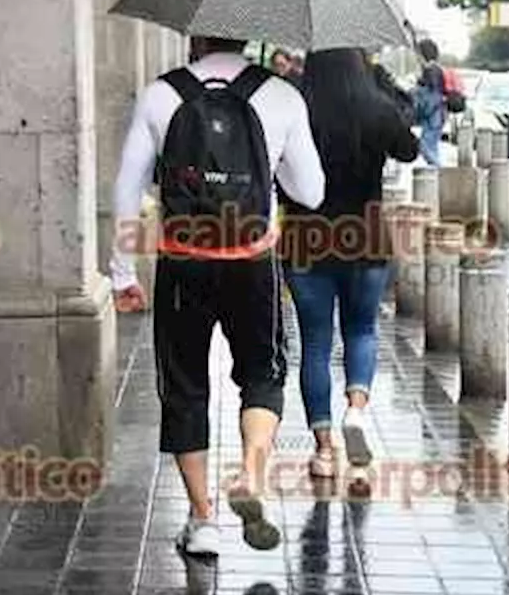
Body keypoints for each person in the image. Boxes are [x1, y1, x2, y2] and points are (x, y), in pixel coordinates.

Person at [110, 36, 325, 558]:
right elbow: (312, 193)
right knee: (263, 371)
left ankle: (202, 519)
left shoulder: (160, 95)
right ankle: (251, 474)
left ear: (195, 38)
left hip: (182, 261)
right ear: (245, 37)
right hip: (252, 261)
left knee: (184, 384)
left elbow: (126, 188)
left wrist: (121, 273)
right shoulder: (280, 95)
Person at [279, 48, 419, 479]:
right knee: (361, 330)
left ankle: (323, 451)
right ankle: (356, 411)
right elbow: (410, 149)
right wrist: (383, 86)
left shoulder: (295, 104)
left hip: (307, 239)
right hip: (365, 237)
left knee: (315, 345)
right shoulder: (376, 107)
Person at [413, 39, 447, 166]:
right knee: (431, 146)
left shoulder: (431, 69)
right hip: (438, 113)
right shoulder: (436, 69)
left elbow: (432, 94)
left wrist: (420, 85)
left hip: (434, 114)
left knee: (425, 146)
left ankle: (439, 172)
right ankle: (437, 175)